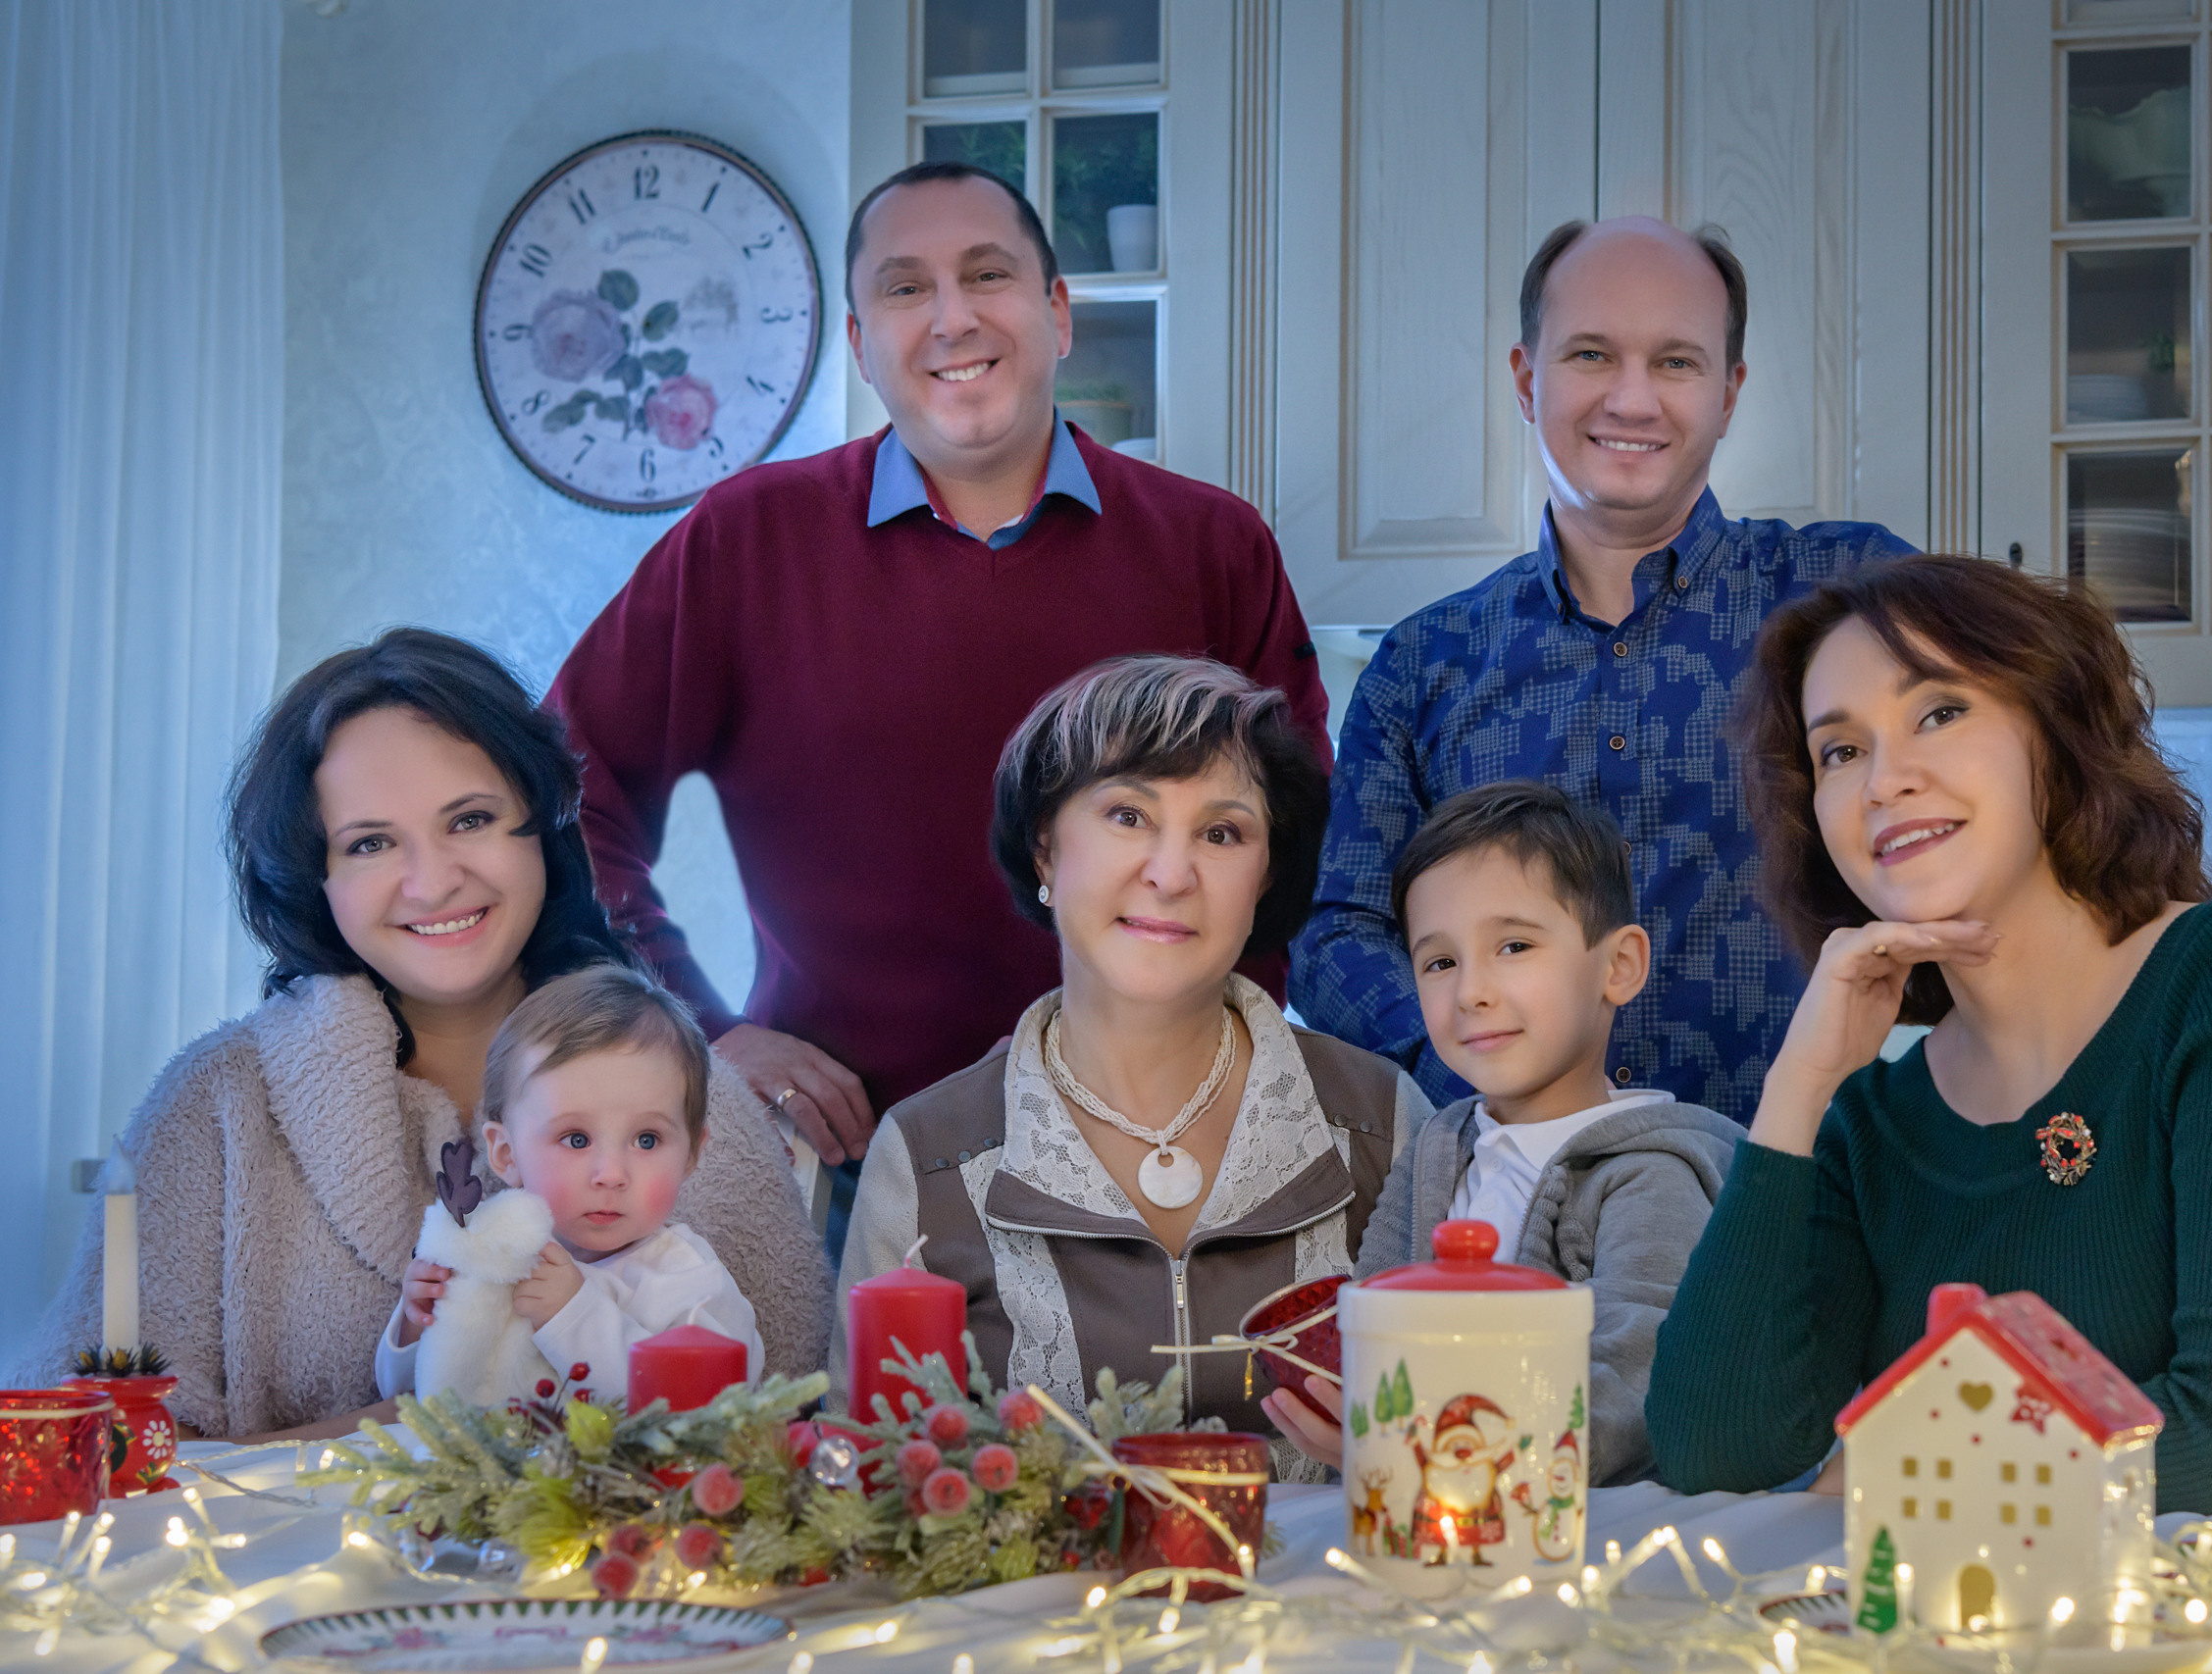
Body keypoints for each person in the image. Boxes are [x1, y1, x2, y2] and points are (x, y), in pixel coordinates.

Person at [548, 162, 1330, 1258]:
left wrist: (1192, 1068)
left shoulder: (1212, 546)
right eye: (906, 288)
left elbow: (1297, 853)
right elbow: (554, 797)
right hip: (846, 1168)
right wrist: (694, 1029)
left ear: (1058, 313)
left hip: (1157, 1149)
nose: (952, 317)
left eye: (987, 274)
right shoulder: (744, 542)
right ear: (861, 345)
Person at [1645, 556, 2212, 1514]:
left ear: (2054, 728)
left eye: (1939, 711)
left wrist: (1899, 1469)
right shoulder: (1869, 1121)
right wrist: (1797, 1087)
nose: (1884, 781)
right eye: (1840, 751)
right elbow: (1712, 1447)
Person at [9, 630, 831, 1441]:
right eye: (370, 842)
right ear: (316, 878)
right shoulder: (214, 1104)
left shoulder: (691, 1090)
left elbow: (786, 1426)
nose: (433, 882)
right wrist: (408, 1427)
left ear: (542, 826)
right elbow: (84, 1447)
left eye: (470, 819)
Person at [1295, 218, 1915, 1117]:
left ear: (1729, 393)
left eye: (1676, 362)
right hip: (1509, 1187)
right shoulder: (1422, 663)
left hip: (1803, 1172)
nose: (1632, 400)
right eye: (1591, 354)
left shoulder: (1851, 594)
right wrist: (1475, 1074)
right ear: (1526, 379)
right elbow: (1337, 933)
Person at [834, 656, 1432, 1473]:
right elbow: (866, 1487)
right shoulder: (924, 1156)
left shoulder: (1384, 1119)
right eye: (1128, 815)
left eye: (1222, 833)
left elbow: (1473, 1440)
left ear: (1265, 876)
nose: (1171, 874)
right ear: (1046, 850)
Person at [1267, 781, 1742, 1487]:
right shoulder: (1436, 1144)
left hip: (1583, 1529)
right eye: (1440, 962)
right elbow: (1370, 1311)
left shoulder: (1650, 1170)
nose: (1471, 992)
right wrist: (1345, 1401)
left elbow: (1642, 1371)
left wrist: (1433, 1447)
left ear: (1619, 966)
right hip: (1431, 1511)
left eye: (1514, 945)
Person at [378, 965, 764, 1405]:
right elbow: (408, 1399)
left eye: (646, 1140)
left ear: (691, 1153)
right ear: (506, 1153)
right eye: (576, 1139)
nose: (611, 1174)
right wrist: (418, 1323)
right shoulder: (493, 1255)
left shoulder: (690, 1283)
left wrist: (573, 1314)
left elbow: (708, 1412)